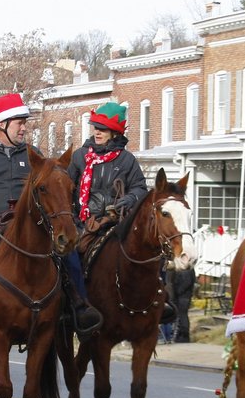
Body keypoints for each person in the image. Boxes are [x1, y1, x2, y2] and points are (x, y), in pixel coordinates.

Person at [0, 93, 102, 338]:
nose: (24, 127)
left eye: (24, 122)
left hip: (30, 222)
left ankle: (79, 304)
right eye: (19, 122)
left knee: (69, 251)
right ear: (2, 124)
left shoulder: (33, 154)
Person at [68, 101, 175, 324]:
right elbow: (67, 187)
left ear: (114, 133)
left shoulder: (127, 160)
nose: (97, 132)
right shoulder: (79, 156)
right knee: (66, 256)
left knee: (150, 248)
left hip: (116, 223)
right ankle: (70, 302)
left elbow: (140, 188)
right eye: (95, 127)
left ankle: (160, 298)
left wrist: (127, 199)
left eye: (102, 129)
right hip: (83, 223)